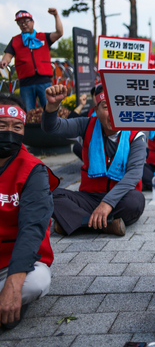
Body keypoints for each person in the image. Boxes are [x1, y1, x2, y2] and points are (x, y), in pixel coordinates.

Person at [41, 84, 146, 236]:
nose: (114, 113)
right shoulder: (86, 125)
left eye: (119, 105)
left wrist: (107, 203)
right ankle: (107, 225)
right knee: (49, 195)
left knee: (136, 201)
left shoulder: (136, 134)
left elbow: (134, 174)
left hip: (120, 199)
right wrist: (52, 106)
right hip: (88, 198)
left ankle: (77, 222)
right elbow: (52, 127)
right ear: (96, 111)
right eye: (106, 107)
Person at [0, 94, 58, 330]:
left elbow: (32, 227)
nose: (9, 132)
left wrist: (13, 283)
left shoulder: (33, 169)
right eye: (2, 125)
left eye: (17, 127)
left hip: (14, 264)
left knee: (38, 281)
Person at [0, 9, 63, 111]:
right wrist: (4, 61)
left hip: (44, 81)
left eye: (26, 22)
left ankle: (51, 127)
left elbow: (59, 33)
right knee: (28, 111)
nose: (23, 24)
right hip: (26, 82)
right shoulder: (15, 40)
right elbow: (8, 55)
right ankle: (29, 127)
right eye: (20, 23)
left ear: (32, 22)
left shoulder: (43, 37)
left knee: (50, 109)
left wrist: (56, 15)